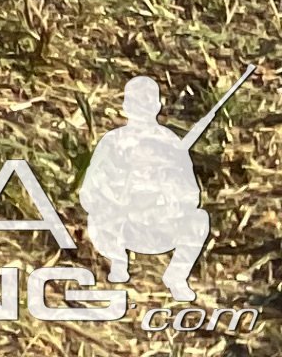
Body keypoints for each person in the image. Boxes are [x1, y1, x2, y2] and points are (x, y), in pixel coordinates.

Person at [79, 77, 211, 300]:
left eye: (147, 103)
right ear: (126, 107)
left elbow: (191, 196)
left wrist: (168, 202)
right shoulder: (112, 142)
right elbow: (88, 191)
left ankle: (177, 276)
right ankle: (117, 264)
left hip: (160, 227)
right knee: (99, 217)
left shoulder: (170, 143)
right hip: (120, 226)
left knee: (199, 219)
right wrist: (117, 200)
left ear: (157, 106)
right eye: (137, 103)